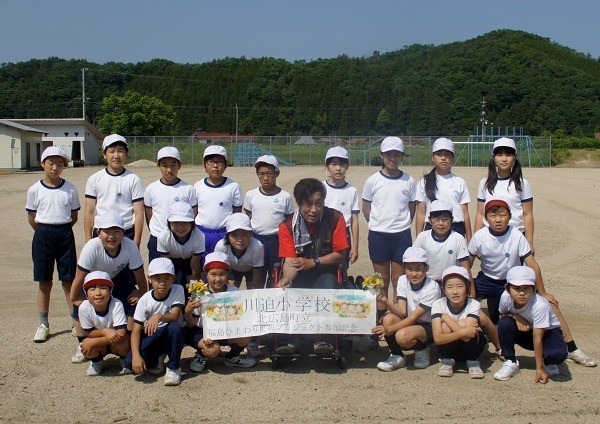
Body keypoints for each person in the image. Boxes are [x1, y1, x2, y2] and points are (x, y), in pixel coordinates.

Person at [470, 198, 596, 366]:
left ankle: (572, 348)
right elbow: (467, 263)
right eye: (493, 215)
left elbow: (532, 265)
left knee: (551, 305)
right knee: (461, 300)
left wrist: (542, 292)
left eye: (502, 215)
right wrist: (469, 288)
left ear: (510, 216)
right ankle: (457, 345)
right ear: (486, 218)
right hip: (486, 279)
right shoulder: (480, 236)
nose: (498, 219)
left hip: (513, 283)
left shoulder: (516, 235)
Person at [414, 199, 501, 354]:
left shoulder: (457, 238)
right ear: (429, 220)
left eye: (445, 219)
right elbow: (415, 263)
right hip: (428, 286)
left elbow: (465, 266)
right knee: (426, 318)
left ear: (452, 221)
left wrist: (471, 291)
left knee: (482, 318)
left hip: (452, 284)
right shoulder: (422, 237)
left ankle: (500, 347)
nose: (441, 223)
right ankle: (425, 347)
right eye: (436, 219)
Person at [276, 178, 349, 355]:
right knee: (289, 289)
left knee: (329, 283)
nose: (314, 210)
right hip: (299, 274)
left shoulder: (336, 218)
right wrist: (286, 279)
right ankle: (296, 338)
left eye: (318, 204)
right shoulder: (287, 226)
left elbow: (340, 255)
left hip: (326, 273)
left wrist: (314, 261)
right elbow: (290, 261)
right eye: (308, 205)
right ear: (299, 203)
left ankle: (322, 337)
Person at [70, 212, 147, 364]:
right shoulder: (92, 247)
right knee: (79, 308)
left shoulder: (130, 246)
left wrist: (141, 293)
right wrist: (75, 298)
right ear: (98, 232)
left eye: (117, 231)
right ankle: (82, 344)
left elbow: (139, 274)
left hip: (120, 276)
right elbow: (80, 276)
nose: (112, 236)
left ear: (123, 233)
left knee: (132, 301)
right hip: (95, 279)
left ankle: (125, 346)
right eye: (107, 231)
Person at [27, 146, 80, 343]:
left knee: (68, 281)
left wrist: (61, 229)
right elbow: (32, 217)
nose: (55, 168)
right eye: (51, 163)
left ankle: (75, 321)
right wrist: (43, 232)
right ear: (43, 164)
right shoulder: (35, 189)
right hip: (43, 234)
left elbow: (74, 216)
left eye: (60, 164)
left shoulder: (71, 189)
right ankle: (43, 324)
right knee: (44, 281)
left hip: (64, 233)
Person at [362, 137, 416, 322]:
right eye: (388, 154)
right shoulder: (372, 180)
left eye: (396, 154)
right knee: (381, 280)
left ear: (402, 156)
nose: (392, 158)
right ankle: (380, 315)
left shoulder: (409, 181)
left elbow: (412, 207)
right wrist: (377, 224)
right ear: (382, 156)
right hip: (379, 235)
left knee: (399, 280)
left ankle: (396, 315)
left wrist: (401, 224)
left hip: (401, 236)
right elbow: (366, 207)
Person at [184, 252, 258, 371]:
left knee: (246, 335)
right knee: (212, 349)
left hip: (225, 329)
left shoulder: (234, 291)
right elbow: (192, 324)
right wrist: (187, 311)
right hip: (202, 331)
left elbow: (240, 316)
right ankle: (201, 355)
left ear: (228, 274)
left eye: (222, 274)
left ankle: (232, 357)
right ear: (206, 275)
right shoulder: (200, 292)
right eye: (213, 274)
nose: (218, 279)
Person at [493, 266, 568, 383]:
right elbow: (502, 315)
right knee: (504, 323)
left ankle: (548, 362)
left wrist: (539, 369)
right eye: (516, 288)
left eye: (527, 288)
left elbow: (538, 338)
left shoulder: (540, 305)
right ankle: (510, 361)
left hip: (547, 334)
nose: (522, 292)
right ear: (507, 289)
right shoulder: (505, 297)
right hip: (527, 332)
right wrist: (516, 317)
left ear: (534, 289)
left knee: (557, 354)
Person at [373, 247, 441, 371]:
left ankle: (422, 348)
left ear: (426, 268)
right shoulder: (403, 280)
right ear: (404, 269)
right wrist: (386, 301)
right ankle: (397, 355)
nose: (413, 274)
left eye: (418, 269)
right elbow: (402, 312)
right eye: (409, 269)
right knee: (388, 318)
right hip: (410, 320)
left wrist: (389, 330)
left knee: (402, 336)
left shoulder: (432, 287)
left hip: (428, 325)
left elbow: (414, 317)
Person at [124, 258, 185, 386]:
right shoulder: (144, 300)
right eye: (157, 278)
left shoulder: (178, 289)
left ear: (173, 279)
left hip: (168, 333)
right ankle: (158, 357)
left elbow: (174, 315)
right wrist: (136, 356)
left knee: (175, 327)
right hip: (152, 335)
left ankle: (174, 367)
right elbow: (135, 331)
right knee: (130, 364)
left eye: (167, 278)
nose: (162, 283)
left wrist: (159, 316)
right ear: (149, 279)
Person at [474, 138, 534, 252]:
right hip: (489, 237)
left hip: (515, 236)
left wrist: (529, 242)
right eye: (500, 155)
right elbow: (480, 214)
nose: (504, 159)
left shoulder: (522, 183)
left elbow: (528, 214)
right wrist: (475, 239)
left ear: (514, 158)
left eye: (508, 155)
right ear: (494, 158)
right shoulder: (484, 183)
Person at [84, 134, 144, 247]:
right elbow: (89, 212)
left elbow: (139, 213)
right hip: (101, 232)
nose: (116, 156)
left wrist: (136, 241)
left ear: (126, 154)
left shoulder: (134, 179)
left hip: (126, 231)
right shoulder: (94, 179)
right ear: (104, 155)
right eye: (111, 151)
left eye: (120, 151)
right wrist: (88, 241)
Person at [243, 155, 294, 287]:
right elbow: (248, 216)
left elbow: (289, 222)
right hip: (256, 240)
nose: (265, 178)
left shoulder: (285, 197)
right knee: (256, 276)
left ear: (277, 173)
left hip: (277, 241)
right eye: (261, 174)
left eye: (269, 173)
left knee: (275, 276)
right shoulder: (251, 195)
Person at [144, 146, 197, 262]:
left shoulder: (188, 189)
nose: (169, 169)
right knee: (158, 276)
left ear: (179, 166)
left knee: (181, 277)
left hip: (181, 240)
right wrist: (158, 232)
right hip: (157, 238)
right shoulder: (151, 189)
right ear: (158, 166)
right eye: (165, 165)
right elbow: (149, 216)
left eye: (173, 164)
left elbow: (193, 215)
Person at [432, 266, 487, 379]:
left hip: (472, 349)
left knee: (462, 322)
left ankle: (473, 362)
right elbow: (437, 338)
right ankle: (447, 361)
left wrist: (446, 318)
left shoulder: (473, 303)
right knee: (445, 326)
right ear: (444, 290)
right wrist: (463, 332)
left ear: (467, 288)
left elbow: (468, 337)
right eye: (450, 287)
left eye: (460, 286)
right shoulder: (438, 304)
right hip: (448, 349)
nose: (455, 291)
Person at [415, 137, 472, 241]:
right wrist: (419, 238)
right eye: (439, 154)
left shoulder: (459, 182)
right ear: (433, 157)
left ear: (452, 158)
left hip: (456, 229)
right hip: (431, 229)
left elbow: (465, 213)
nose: (443, 158)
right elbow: (420, 213)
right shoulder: (424, 182)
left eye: (447, 154)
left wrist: (469, 239)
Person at [77, 271, 130, 376]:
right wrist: (105, 331)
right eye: (92, 289)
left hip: (117, 340)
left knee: (125, 342)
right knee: (87, 345)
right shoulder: (84, 307)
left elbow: (121, 333)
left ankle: (124, 360)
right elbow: (90, 332)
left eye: (103, 288)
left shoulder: (116, 304)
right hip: (102, 337)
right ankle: (97, 361)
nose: (98, 293)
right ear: (86, 295)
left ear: (110, 291)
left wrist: (94, 342)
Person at [194, 145, 243, 255]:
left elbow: (236, 214)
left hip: (224, 234)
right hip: (201, 233)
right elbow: (194, 212)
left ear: (226, 165)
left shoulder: (233, 186)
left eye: (220, 162)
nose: (215, 166)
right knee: (202, 266)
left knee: (222, 267)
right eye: (211, 162)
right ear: (204, 165)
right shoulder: (197, 186)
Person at [322, 146, 360, 268]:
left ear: (347, 167)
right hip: (323, 233)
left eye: (342, 164)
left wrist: (355, 246)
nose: (338, 168)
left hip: (344, 234)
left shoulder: (351, 190)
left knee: (341, 270)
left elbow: (354, 220)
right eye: (334, 164)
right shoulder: (320, 188)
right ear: (327, 166)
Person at [157, 202, 205, 287]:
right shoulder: (163, 237)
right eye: (175, 222)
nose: (180, 227)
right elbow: (167, 264)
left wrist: (195, 287)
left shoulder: (199, 236)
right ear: (169, 222)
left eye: (185, 222)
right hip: (171, 261)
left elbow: (195, 264)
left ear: (192, 223)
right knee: (174, 286)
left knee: (191, 289)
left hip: (190, 261)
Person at [214, 213, 264, 289]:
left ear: (250, 234)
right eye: (234, 235)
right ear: (228, 235)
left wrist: (255, 292)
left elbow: (257, 274)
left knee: (252, 292)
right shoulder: (221, 246)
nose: (240, 240)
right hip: (232, 269)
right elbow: (218, 271)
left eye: (244, 235)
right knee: (231, 292)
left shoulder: (257, 246)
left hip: (251, 269)